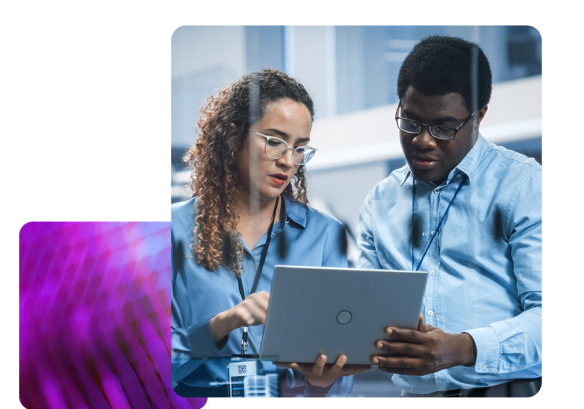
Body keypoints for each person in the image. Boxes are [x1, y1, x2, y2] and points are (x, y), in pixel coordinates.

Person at [357, 36, 542, 398]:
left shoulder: (524, 186)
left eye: (444, 128)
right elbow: (364, 317)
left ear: (480, 115)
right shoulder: (379, 202)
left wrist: (460, 348)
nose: (423, 141)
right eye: (410, 122)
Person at [171, 68, 371, 398]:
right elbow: (140, 361)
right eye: (275, 142)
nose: (288, 161)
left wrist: (322, 381)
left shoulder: (324, 234)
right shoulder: (171, 232)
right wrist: (221, 326)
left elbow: (341, 365)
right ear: (235, 136)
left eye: (300, 147)